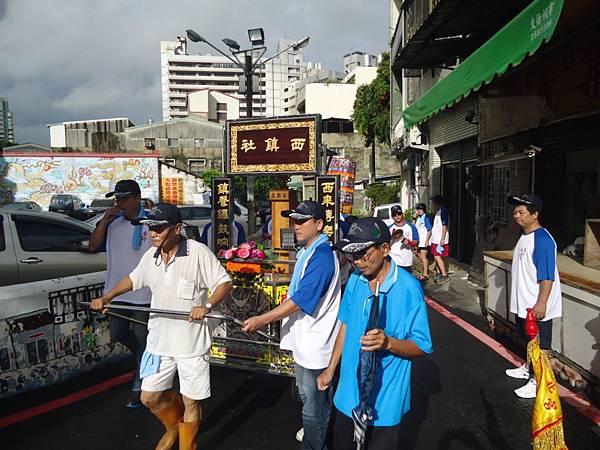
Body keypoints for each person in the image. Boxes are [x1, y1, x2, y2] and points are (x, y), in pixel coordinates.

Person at [91, 203, 233, 449]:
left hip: (191, 345)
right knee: (149, 397)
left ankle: (187, 445)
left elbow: (224, 283)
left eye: (158, 228)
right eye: (150, 227)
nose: (152, 233)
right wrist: (108, 297)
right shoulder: (151, 256)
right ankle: (172, 427)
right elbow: (134, 279)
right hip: (159, 343)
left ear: (177, 228)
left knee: (191, 402)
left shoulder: (198, 252)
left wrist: (206, 306)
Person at [317, 218, 433, 450]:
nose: (358, 261)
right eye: (352, 255)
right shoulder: (355, 281)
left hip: (385, 399)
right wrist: (330, 369)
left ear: (385, 248)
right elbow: (345, 325)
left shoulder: (409, 288)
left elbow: (422, 346)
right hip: (348, 392)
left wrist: (388, 342)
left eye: (364, 254)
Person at [242, 201, 341, 450]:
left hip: (317, 346)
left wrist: (262, 319)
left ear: (319, 224)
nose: (296, 226)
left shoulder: (321, 257)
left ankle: (314, 445)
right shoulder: (309, 251)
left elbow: (300, 300)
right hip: (305, 341)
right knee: (309, 399)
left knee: (314, 408)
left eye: (302, 221)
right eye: (294, 220)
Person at [88, 179, 152, 408]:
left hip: (144, 293)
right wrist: (103, 222)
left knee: (142, 337)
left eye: (124, 198)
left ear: (137, 199)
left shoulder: (149, 224)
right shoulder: (113, 225)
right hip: (116, 293)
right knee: (118, 334)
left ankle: (139, 383)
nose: (119, 202)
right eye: (117, 198)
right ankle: (149, 359)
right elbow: (92, 246)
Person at [505, 193, 563, 399]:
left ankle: (538, 381)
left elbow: (547, 275)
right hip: (525, 302)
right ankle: (529, 369)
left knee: (541, 345)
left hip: (537, 305)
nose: (516, 216)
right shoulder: (525, 236)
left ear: (535, 214)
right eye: (515, 212)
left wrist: (542, 302)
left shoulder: (543, 240)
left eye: (521, 212)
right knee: (531, 341)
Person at [387, 205, 419, 273]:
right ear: (392, 217)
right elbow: (386, 245)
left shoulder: (411, 227)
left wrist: (409, 243)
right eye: (394, 215)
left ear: (402, 214)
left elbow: (416, 242)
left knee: (406, 282)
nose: (397, 216)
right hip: (393, 260)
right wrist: (392, 238)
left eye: (399, 214)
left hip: (406, 261)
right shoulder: (389, 228)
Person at [429, 195, 450, 284]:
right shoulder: (438, 212)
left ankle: (444, 274)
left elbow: (444, 226)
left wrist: (442, 239)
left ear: (437, 203)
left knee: (438, 257)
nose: (432, 205)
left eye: (433, 202)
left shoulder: (443, 211)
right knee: (436, 257)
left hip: (439, 239)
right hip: (435, 239)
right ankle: (440, 273)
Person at [415, 203, 433, 281]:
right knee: (419, 256)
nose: (419, 211)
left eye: (420, 209)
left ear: (424, 210)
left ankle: (425, 274)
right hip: (419, 241)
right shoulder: (419, 218)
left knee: (423, 257)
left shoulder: (426, 218)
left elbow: (429, 230)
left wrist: (427, 240)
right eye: (418, 209)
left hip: (424, 241)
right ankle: (424, 271)